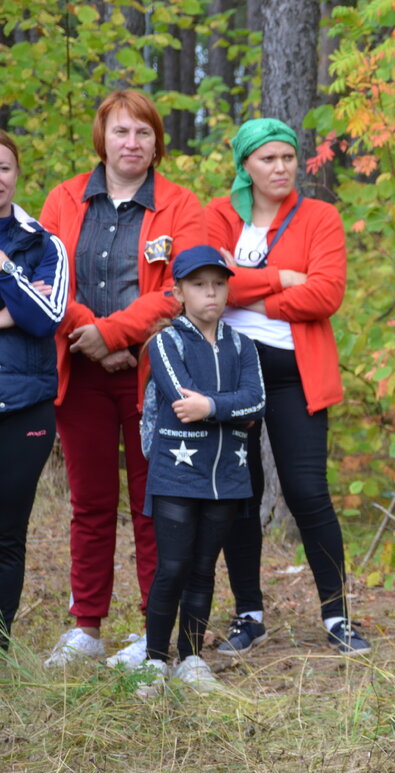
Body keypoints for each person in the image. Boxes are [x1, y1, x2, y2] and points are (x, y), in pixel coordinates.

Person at [39, 90, 206, 668]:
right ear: (102, 140)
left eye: (143, 133)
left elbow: (177, 291)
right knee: (90, 503)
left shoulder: (182, 207)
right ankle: (86, 626)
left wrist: (115, 336)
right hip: (81, 373)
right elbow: (49, 280)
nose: (132, 143)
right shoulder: (63, 200)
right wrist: (96, 339)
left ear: (158, 143)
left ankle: (152, 631)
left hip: (153, 376)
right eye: (121, 133)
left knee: (152, 504)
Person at [206, 118, 369, 656]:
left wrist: (241, 292)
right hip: (229, 373)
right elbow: (201, 286)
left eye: (288, 158)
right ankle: (248, 615)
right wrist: (279, 277)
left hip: (296, 373)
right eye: (267, 159)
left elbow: (325, 295)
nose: (280, 168)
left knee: (307, 492)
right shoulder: (219, 216)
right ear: (245, 166)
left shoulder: (320, 217)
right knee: (239, 495)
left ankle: (337, 616)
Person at [137, 245, 265, 694]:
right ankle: (155, 660)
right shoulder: (165, 343)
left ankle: (191, 657)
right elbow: (178, 397)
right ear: (179, 292)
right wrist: (229, 409)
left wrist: (210, 404)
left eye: (218, 284)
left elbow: (257, 401)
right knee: (172, 565)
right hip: (177, 472)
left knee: (204, 569)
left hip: (228, 474)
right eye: (199, 285)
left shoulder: (243, 345)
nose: (211, 293)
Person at [0, 130, 69, 651]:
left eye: (3, 167)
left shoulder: (45, 244)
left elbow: (46, 317)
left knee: (6, 534)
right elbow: (25, 312)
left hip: (24, 406)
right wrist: (12, 312)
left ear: (16, 174)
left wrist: (4, 268)